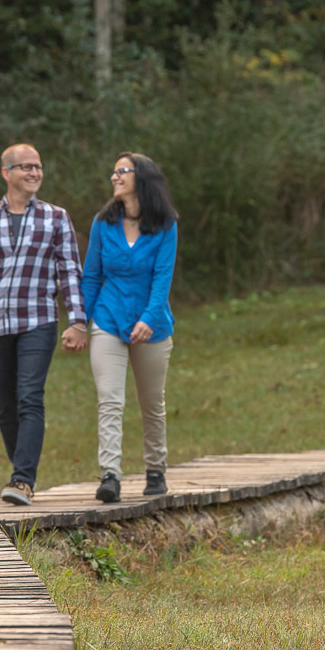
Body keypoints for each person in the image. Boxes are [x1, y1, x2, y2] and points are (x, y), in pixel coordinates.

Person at [0, 144, 88, 507]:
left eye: (38, 167)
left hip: (38, 320)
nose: (34, 172)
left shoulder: (56, 218)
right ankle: (22, 471)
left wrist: (78, 321)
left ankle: (22, 479)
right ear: (7, 172)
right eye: (26, 167)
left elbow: (69, 271)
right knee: (3, 402)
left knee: (30, 396)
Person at [82, 151, 179, 503]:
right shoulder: (103, 223)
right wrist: (81, 321)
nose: (114, 176)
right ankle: (110, 475)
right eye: (114, 171)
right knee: (110, 399)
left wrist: (149, 319)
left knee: (152, 403)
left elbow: (162, 278)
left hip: (152, 326)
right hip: (108, 320)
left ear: (143, 178)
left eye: (123, 171)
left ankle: (156, 469)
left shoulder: (166, 225)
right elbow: (92, 276)